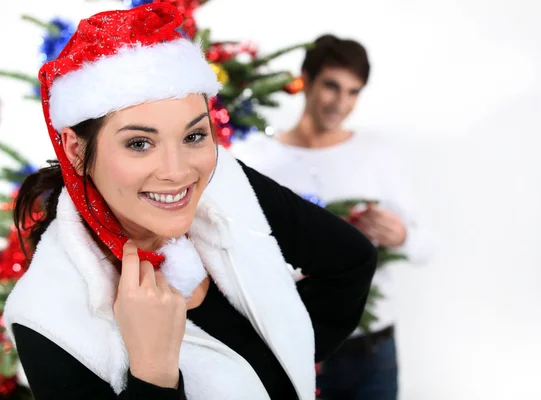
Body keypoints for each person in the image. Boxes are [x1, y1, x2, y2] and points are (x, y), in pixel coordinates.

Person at [3, 6, 377, 400]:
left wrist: (284, 356)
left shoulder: (226, 181)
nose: (177, 171)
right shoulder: (45, 315)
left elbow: (352, 262)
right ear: (76, 149)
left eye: (194, 136)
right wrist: (152, 372)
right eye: (139, 143)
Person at [230, 34, 433, 399]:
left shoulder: (376, 154)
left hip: (371, 351)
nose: (341, 103)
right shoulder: (259, 159)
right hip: (290, 347)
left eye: (354, 92)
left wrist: (401, 235)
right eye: (331, 86)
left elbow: (426, 247)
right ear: (305, 78)